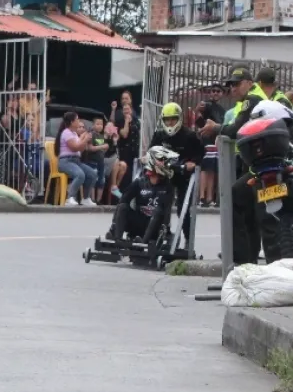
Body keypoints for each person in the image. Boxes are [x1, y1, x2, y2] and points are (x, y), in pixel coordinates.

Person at [200, 67, 293, 265]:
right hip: (263, 167)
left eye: (236, 83)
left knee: (263, 216)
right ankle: (250, 264)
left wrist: (216, 128)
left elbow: (237, 129)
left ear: (253, 83)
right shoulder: (278, 100)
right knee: (257, 212)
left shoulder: (253, 100)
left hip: (266, 167)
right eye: (230, 85)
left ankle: (246, 264)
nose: (232, 88)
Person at [148, 102, 205, 238]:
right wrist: (150, 159)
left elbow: (201, 153)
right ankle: (162, 234)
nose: (170, 123)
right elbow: (151, 151)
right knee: (159, 205)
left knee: (182, 209)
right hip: (165, 174)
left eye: (173, 119)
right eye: (167, 120)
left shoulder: (190, 136)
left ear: (179, 118)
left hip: (183, 175)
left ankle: (188, 240)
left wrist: (193, 162)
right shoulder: (159, 135)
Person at [106, 146, 181, 245]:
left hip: (155, 226)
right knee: (122, 206)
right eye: (162, 160)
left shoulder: (168, 186)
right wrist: (114, 225)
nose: (166, 164)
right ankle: (118, 241)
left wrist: (165, 229)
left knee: (158, 210)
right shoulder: (139, 182)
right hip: (138, 223)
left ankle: (143, 242)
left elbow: (166, 211)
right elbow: (123, 201)